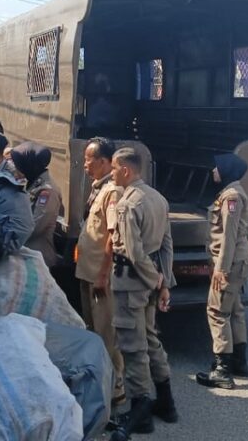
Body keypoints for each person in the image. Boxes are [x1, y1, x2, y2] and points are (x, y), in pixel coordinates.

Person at [108, 147, 178, 441]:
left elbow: (135, 253)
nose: (111, 173)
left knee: (133, 347)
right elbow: (166, 245)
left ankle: (140, 413)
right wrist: (163, 284)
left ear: (126, 170)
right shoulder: (158, 199)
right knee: (150, 339)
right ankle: (166, 402)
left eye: (113, 168)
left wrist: (153, 280)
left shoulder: (127, 204)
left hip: (133, 283)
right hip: (150, 282)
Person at [76, 137, 126, 409]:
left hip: (100, 275)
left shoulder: (112, 193)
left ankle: (115, 392)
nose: (84, 164)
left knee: (106, 335)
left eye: (89, 159)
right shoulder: (98, 188)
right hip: (88, 270)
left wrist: (103, 275)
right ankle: (100, 386)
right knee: (92, 331)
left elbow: (112, 235)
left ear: (104, 161)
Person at [196, 153, 248, 390]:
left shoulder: (231, 197)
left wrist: (221, 269)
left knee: (217, 311)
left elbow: (228, 236)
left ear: (227, 170)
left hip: (230, 262)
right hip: (238, 261)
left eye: (217, 167)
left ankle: (222, 370)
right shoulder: (232, 193)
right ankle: (239, 362)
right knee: (236, 309)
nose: (213, 171)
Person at [10, 142, 63, 267]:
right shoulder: (33, 185)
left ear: (29, 165)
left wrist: (10, 234)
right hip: (27, 255)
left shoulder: (47, 191)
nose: (16, 168)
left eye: (19, 165)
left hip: (38, 259)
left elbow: (36, 225)